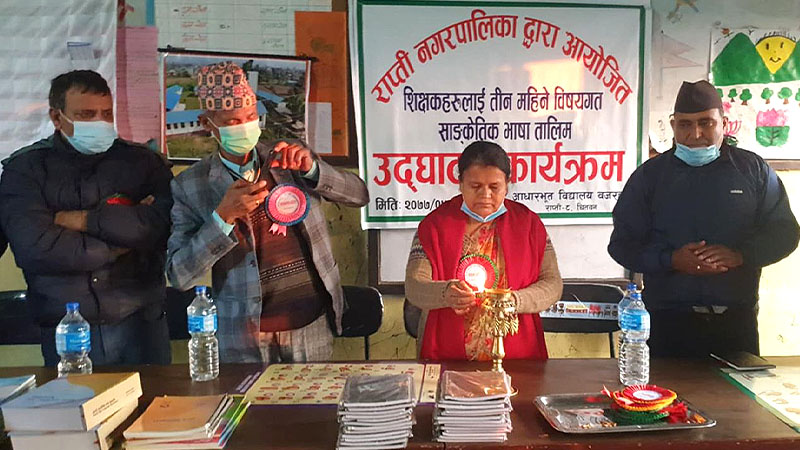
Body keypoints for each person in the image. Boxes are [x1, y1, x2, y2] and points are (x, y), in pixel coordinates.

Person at [167, 62, 369, 364]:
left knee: (313, 396)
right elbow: (179, 275)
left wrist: (313, 170)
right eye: (233, 121)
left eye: (251, 117)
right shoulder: (191, 185)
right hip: (246, 335)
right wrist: (222, 218)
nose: (246, 127)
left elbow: (359, 194)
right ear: (208, 124)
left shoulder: (288, 156)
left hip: (310, 323)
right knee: (250, 397)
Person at [608, 80, 799, 358]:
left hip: (735, 322)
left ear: (724, 123)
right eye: (685, 124)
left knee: (737, 389)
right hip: (667, 322)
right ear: (673, 126)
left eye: (706, 123)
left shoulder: (753, 171)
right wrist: (671, 260)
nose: (695, 134)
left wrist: (740, 256)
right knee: (665, 388)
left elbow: (785, 233)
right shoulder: (649, 177)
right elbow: (622, 245)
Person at [0, 70, 173, 366]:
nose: (100, 123)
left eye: (106, 114)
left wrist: (84, 221)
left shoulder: (143, 163)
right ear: (57, 118)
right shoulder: (25, 170)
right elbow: (36, 248)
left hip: (140, 320)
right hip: (67, 327)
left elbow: (161, 225)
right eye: (86, 115)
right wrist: (119, 243)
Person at [405, 141, 562, 360]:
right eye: (475, 186)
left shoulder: (529, 225)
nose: (485, 195)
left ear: (507, 185)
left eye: (494, 187)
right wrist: (445, 293)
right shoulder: (434, 226)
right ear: (460, 184)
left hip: (518, 357)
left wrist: (514, 300)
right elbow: (414, 286)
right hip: (448, 355)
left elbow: (553, 284)